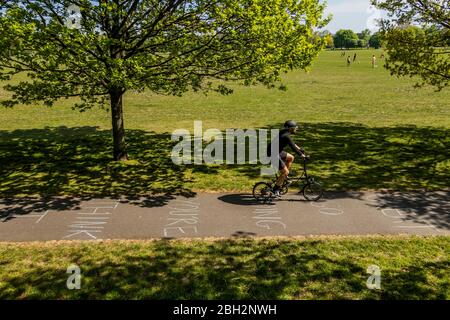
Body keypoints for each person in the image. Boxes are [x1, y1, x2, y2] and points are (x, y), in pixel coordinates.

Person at [267, 121, 306, 198]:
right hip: (273, 154)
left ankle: (284, 177)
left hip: (277, 151)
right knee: (285, 172)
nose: (295, 130)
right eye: (294, 128)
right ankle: (275, 189)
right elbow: (292, 147)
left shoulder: (285, 133)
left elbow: (292, 143)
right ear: (290, 129)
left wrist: (300, 149)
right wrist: (302, 155)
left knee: (291, 157)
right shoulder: (286, 136)